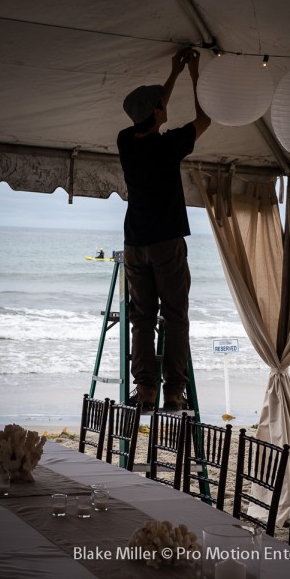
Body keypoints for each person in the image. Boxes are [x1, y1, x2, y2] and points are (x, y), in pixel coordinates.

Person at [117, 48, 211, 412]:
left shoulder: (126, 141)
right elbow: (205, 118)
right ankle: (173, 392)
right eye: (160, 105)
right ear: (156, 114)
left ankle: (144, 391)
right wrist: (193, 74)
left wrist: (172, 75)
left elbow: (152, 112)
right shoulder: (170, 145)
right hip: (166, 243)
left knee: (142, 318)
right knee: (174, 315)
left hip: (134, 243)